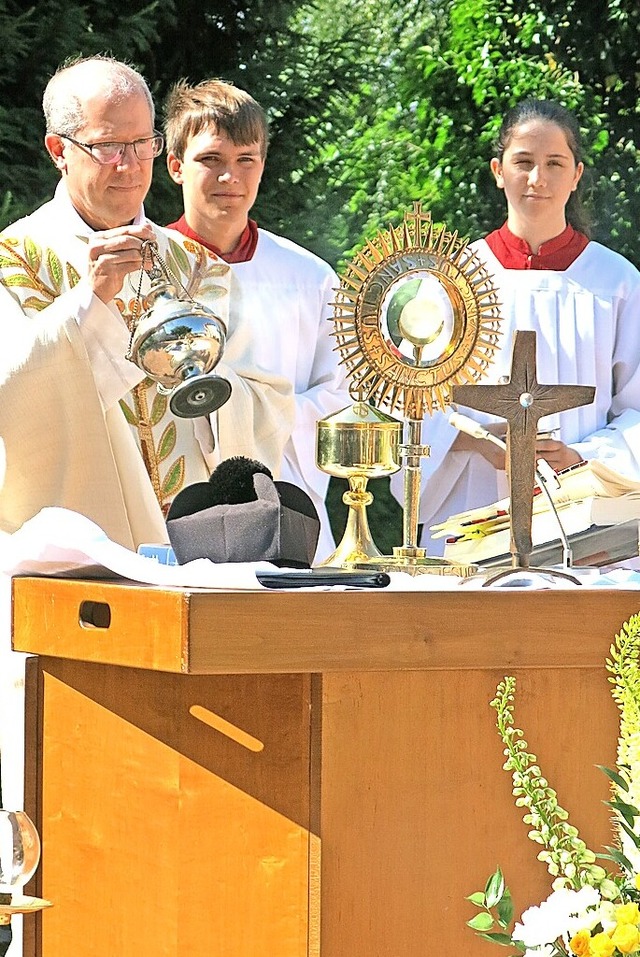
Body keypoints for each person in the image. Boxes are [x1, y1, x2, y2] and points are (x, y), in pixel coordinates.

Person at [0, 55, 294, 551]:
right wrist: (87, 308)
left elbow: (267, 402)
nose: (131, 165)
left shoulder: (200, 269)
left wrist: (214, 395)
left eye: (142, 144)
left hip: (195, 550)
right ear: (58, 150)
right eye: (108, 146)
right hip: (82, 551)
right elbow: (12, 398)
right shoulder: (13, 262)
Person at [397, 98, 640, 554]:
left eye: (554, 163)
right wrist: (478, 444)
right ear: (498, 170)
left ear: (576, 175)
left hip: (580, 513)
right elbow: (416, 400)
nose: (537, 178)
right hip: (470, 503)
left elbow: (637, 410)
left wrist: (581, 458)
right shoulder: (455, 278)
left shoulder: (617, 282)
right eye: (523, 162)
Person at [163, 78, 350, 560]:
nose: (232, 177)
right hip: (170, 504)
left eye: (246, 160)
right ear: (175, 166)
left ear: (262, 165)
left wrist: (247, 411)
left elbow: (340, 395)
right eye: (212, 160)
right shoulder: (146, 270)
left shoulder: (308, 277)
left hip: (283, 506)